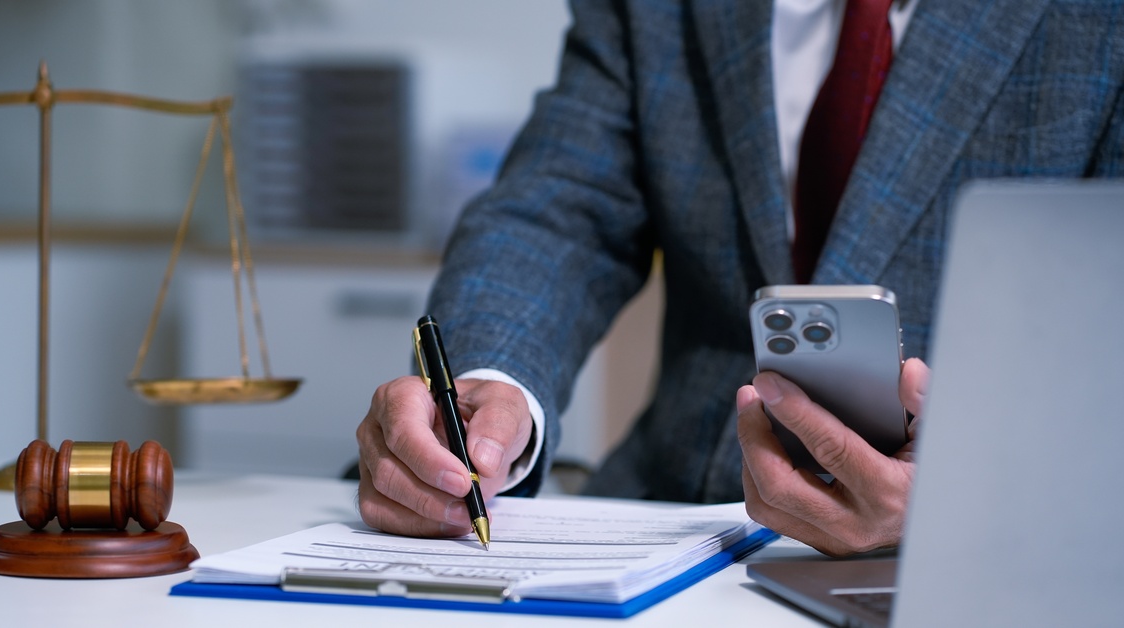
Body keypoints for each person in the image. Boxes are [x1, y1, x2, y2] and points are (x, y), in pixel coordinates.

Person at [355, 0, 1124, 556]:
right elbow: (558, 208)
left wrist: (983, 494)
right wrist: (492, 387)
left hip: (1005, 561)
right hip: (674, 531)